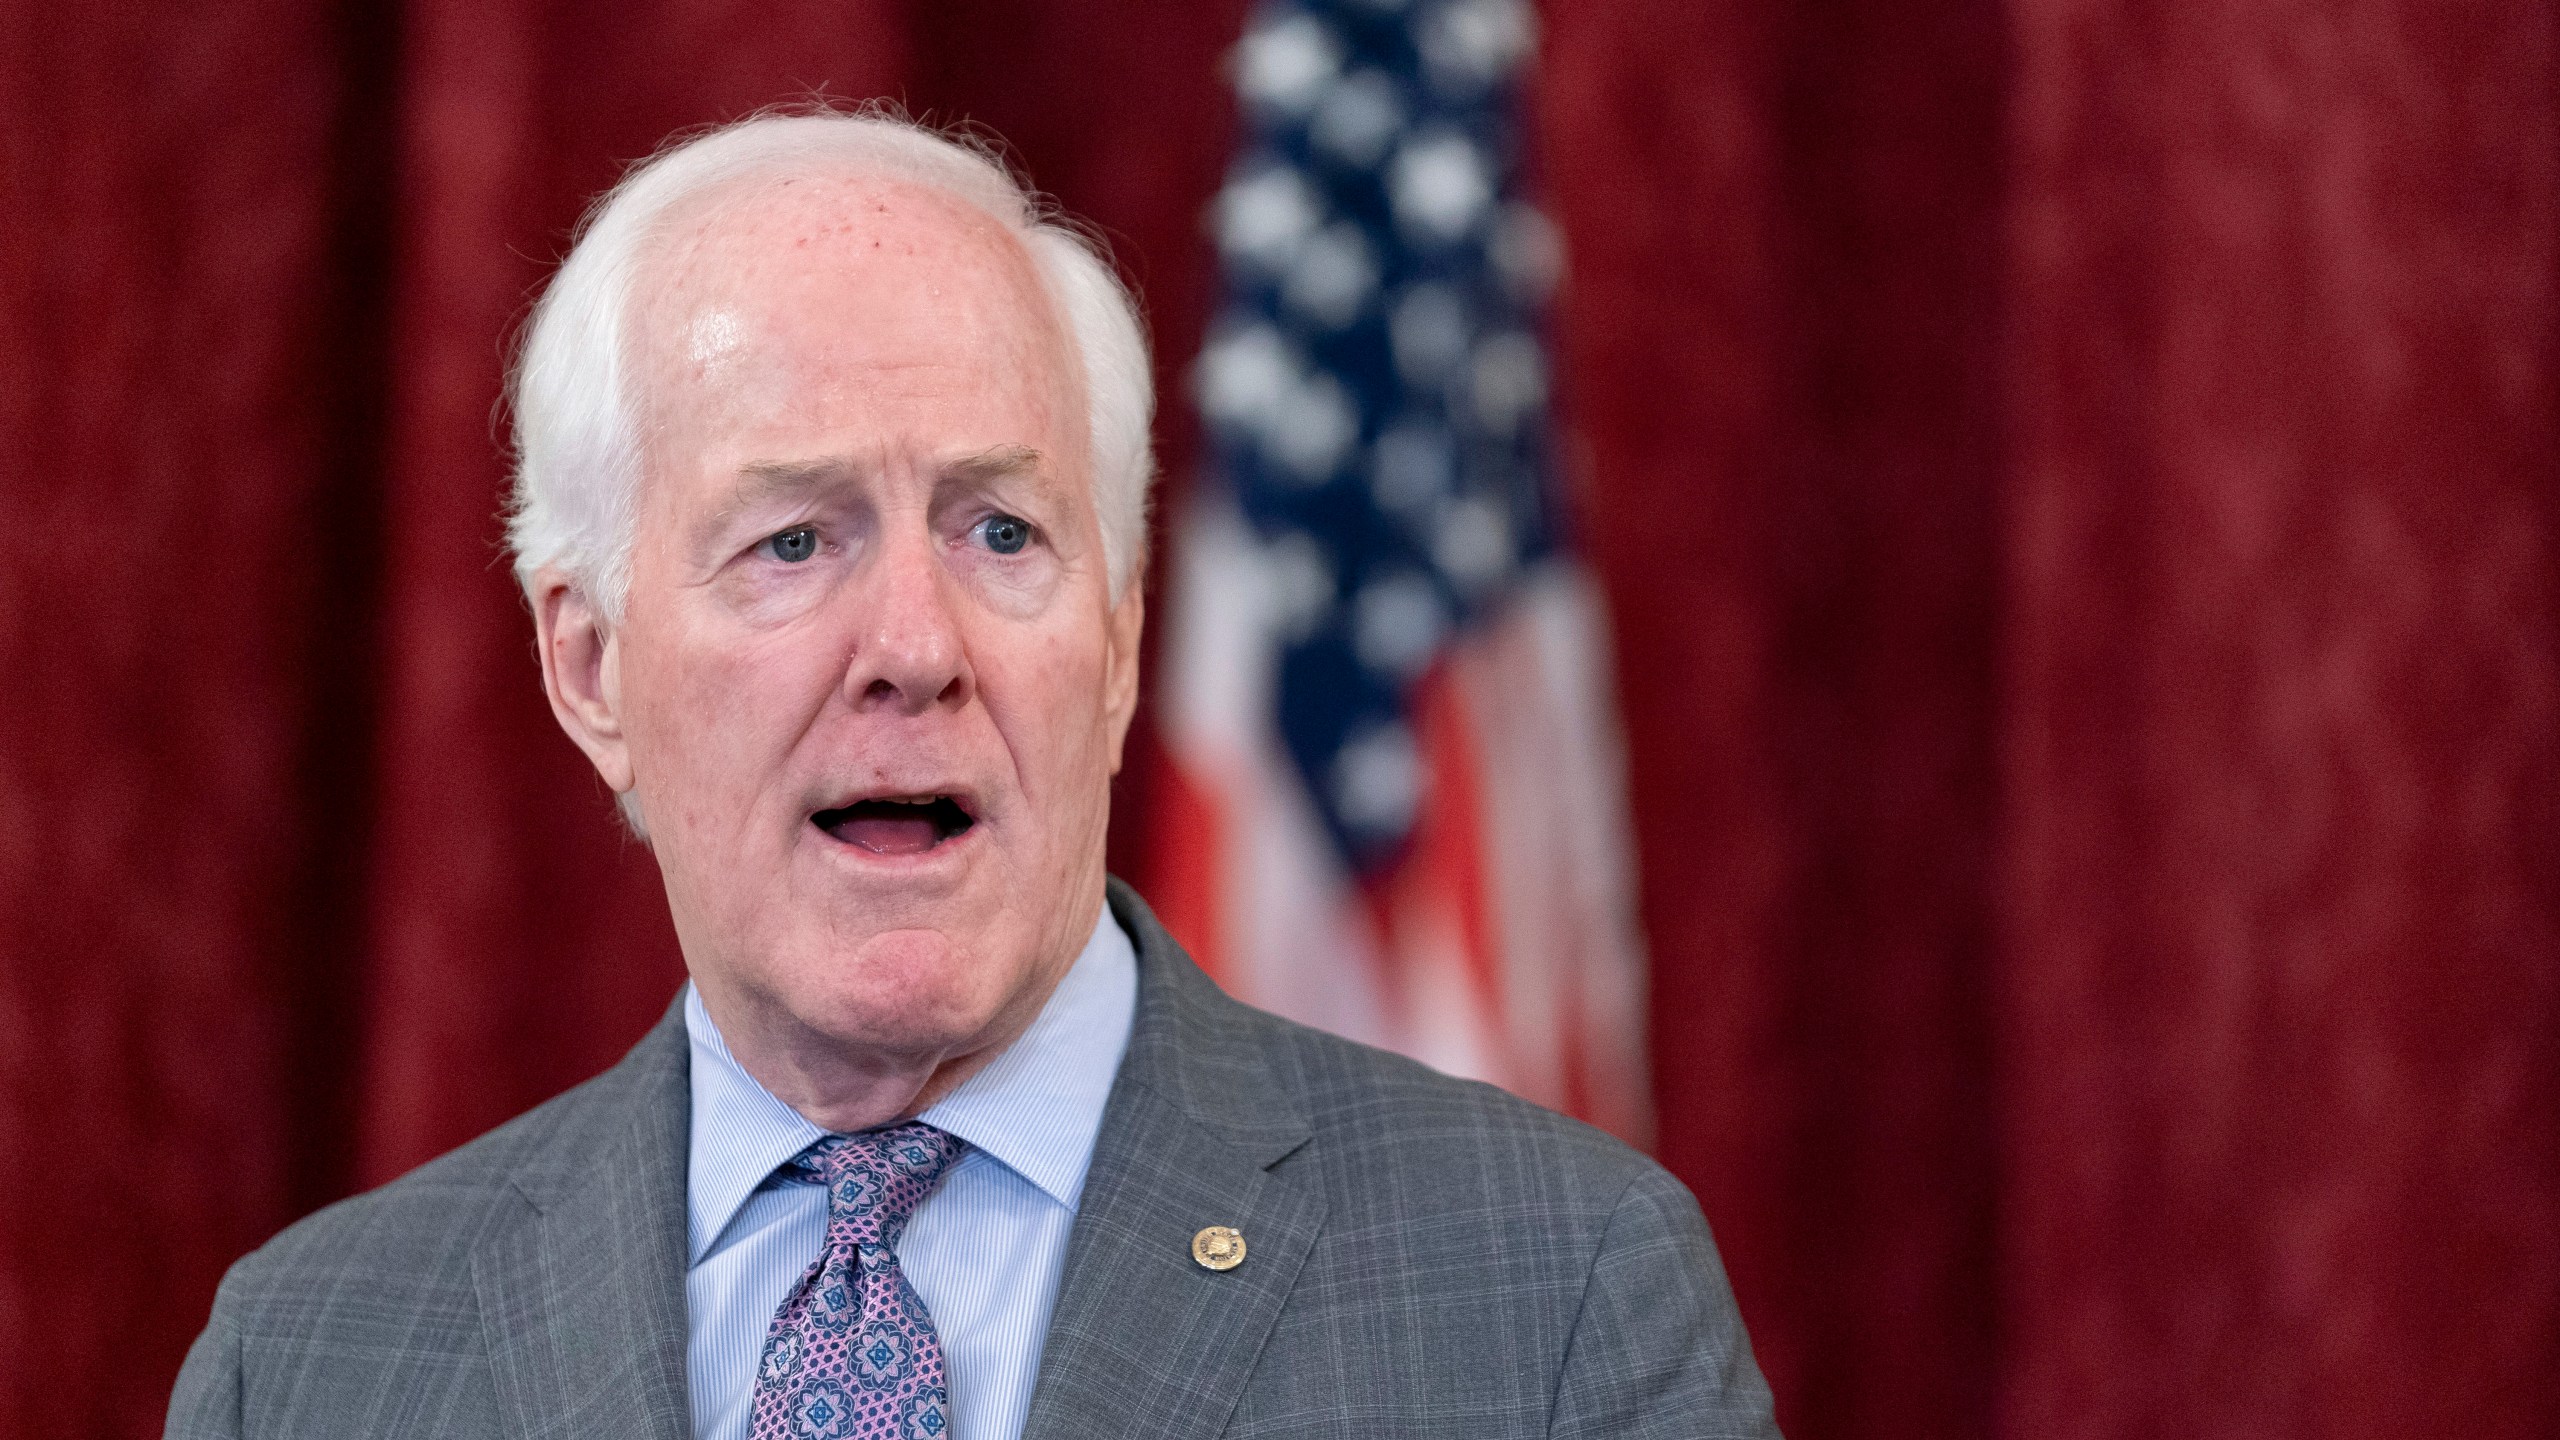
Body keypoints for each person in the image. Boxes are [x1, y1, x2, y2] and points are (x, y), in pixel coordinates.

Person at [164, 108, 1780, 1440]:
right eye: (793, 540)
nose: (915, 645)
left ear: (1125, 641)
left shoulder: (1550, 1297)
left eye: (1001, 531)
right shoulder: (310, 1367)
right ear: (589, 665)